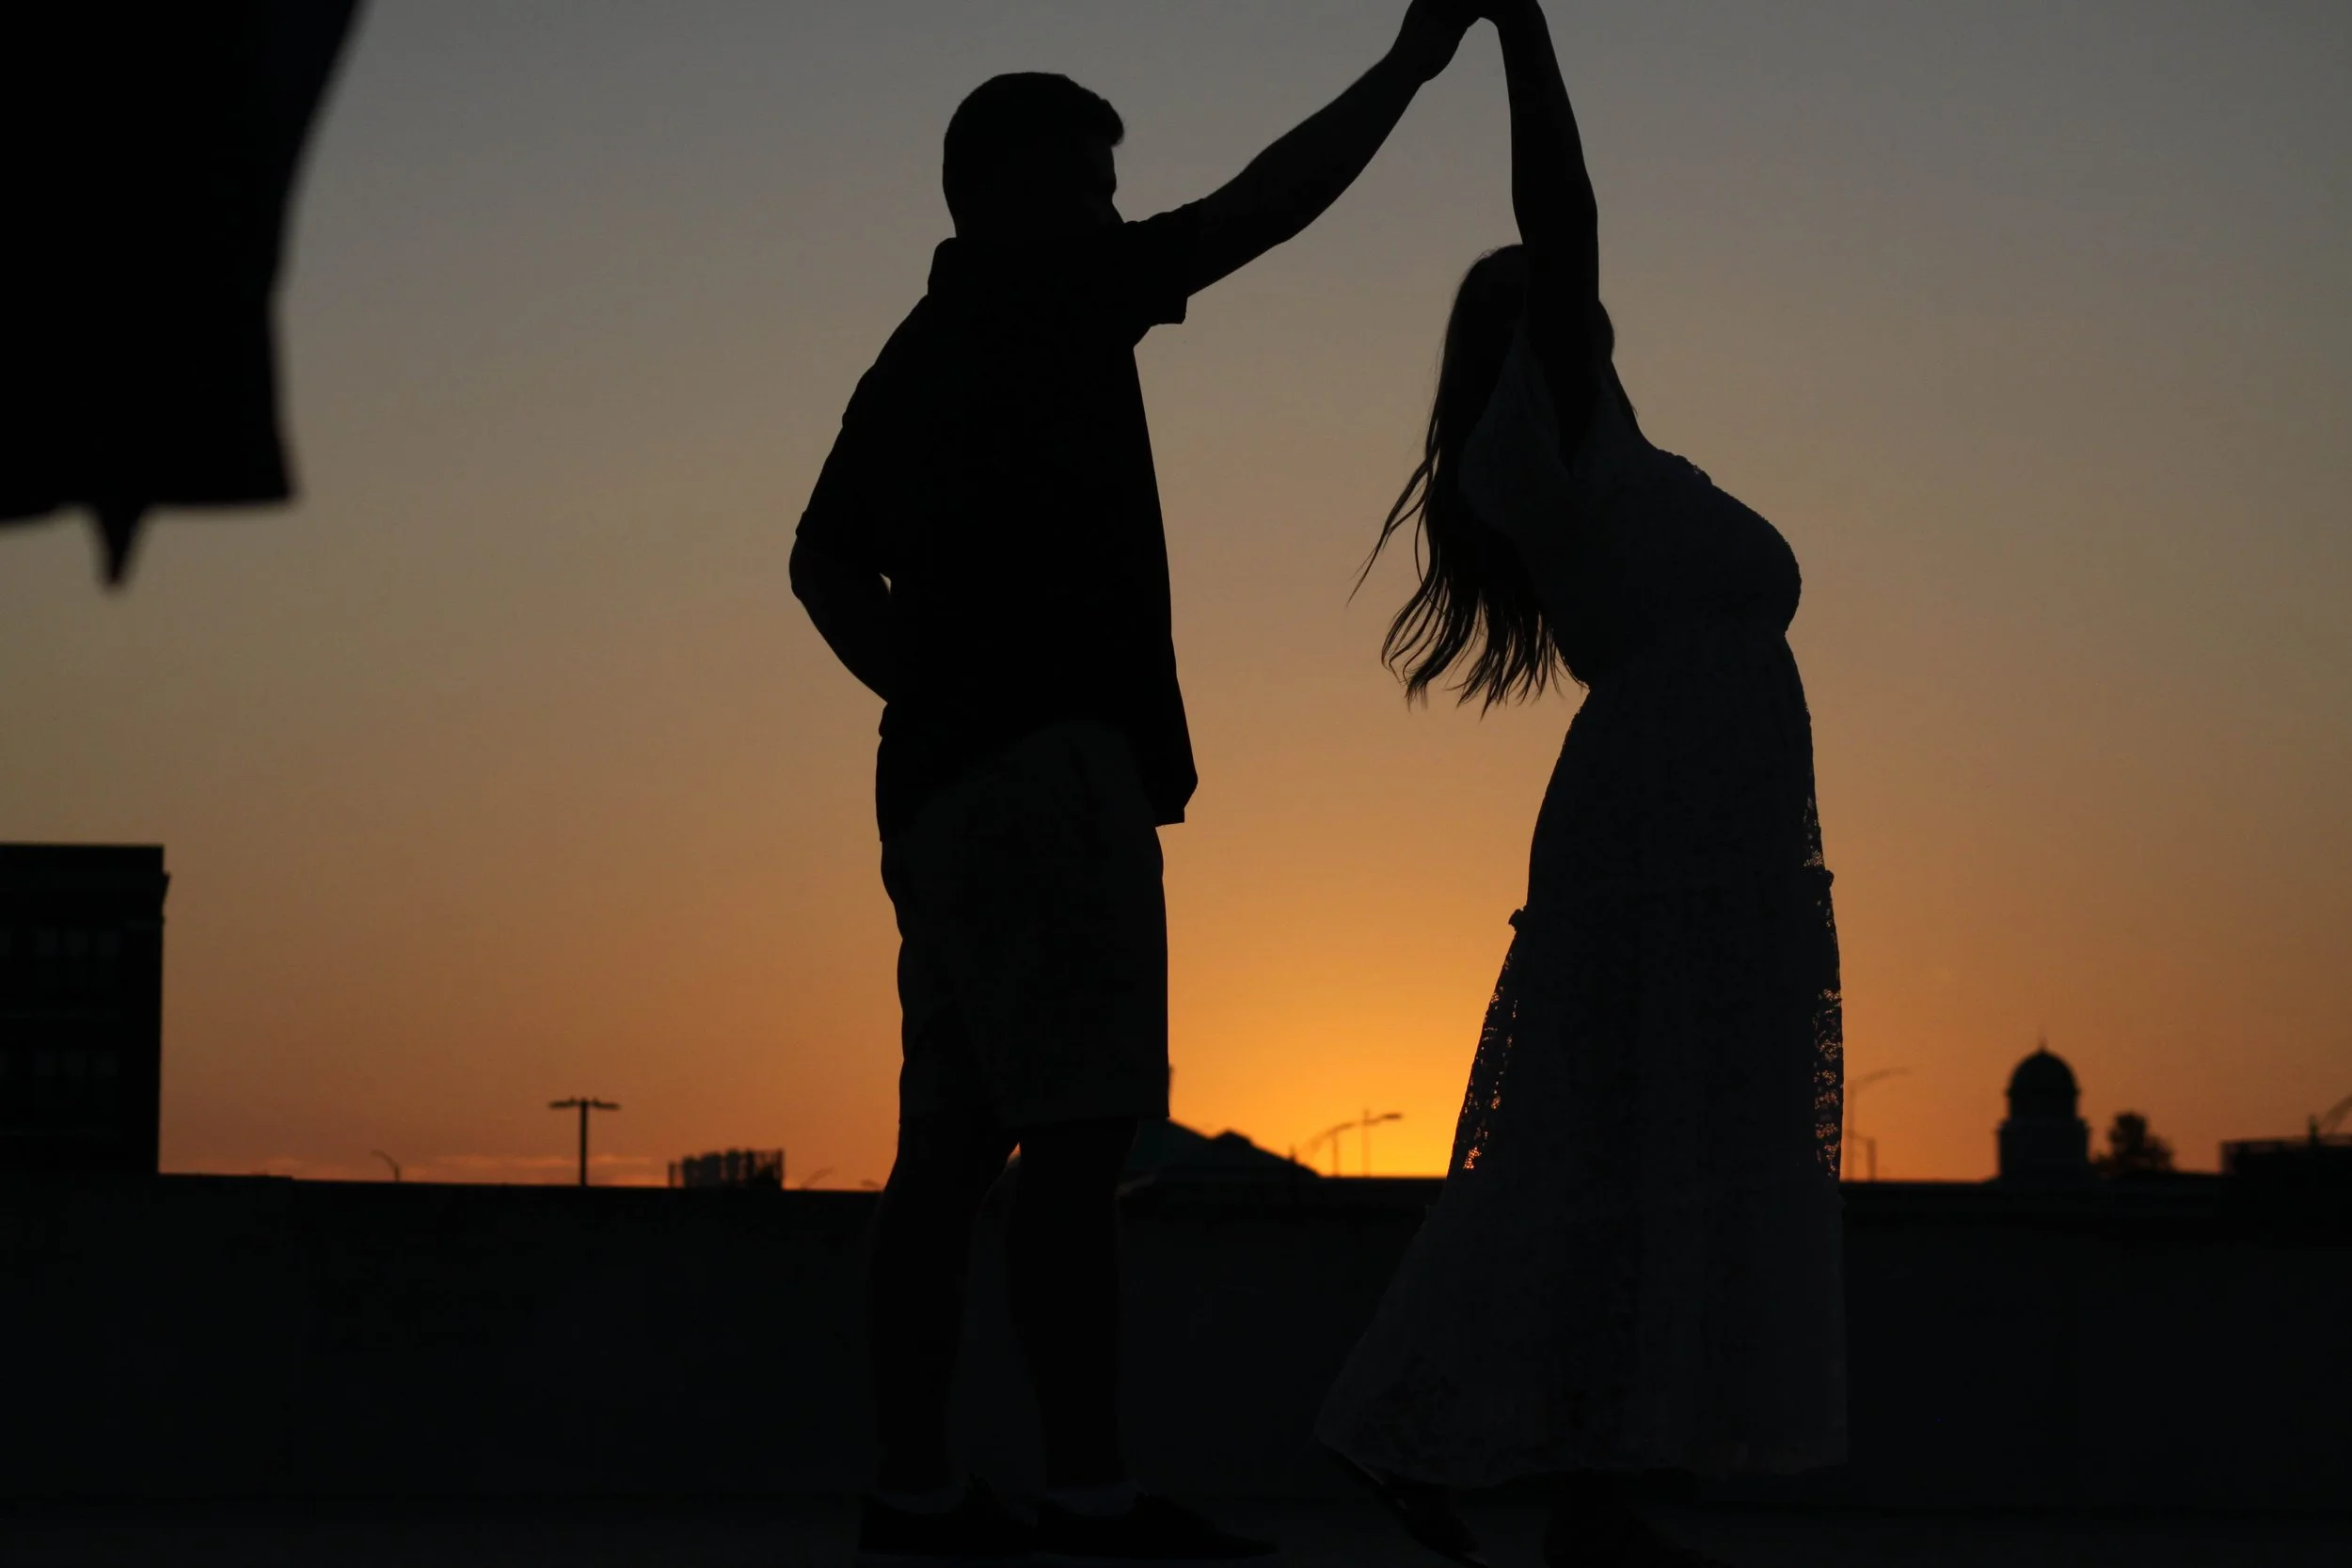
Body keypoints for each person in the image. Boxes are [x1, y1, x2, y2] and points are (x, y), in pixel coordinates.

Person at [790, 6, 1483, 1563]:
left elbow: (818, 557)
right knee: (1078, 1136)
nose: (1117, 214)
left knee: (952, 1147)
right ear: (1022, 191)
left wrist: (923, 683)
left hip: (939, 789)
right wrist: (1412, 66)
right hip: (1042, 782)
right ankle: (1088, 1500)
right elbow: (1261, 208)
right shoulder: (1050, 296)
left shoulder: (914, 351)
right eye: (1097, 186)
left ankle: (911, 1496)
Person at [1315, 5, 1848, 1565]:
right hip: (1670, 817)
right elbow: (1569, 213)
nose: (1603, 321)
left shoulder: (1601, 449)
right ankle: (1406, 1428)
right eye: (1572, 311)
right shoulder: (1537, 435)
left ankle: (1597, 1489)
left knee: (1653, 1146)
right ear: (1534, 334)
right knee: (1607, 1143)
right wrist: (1519, 29)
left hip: (1713, 820)